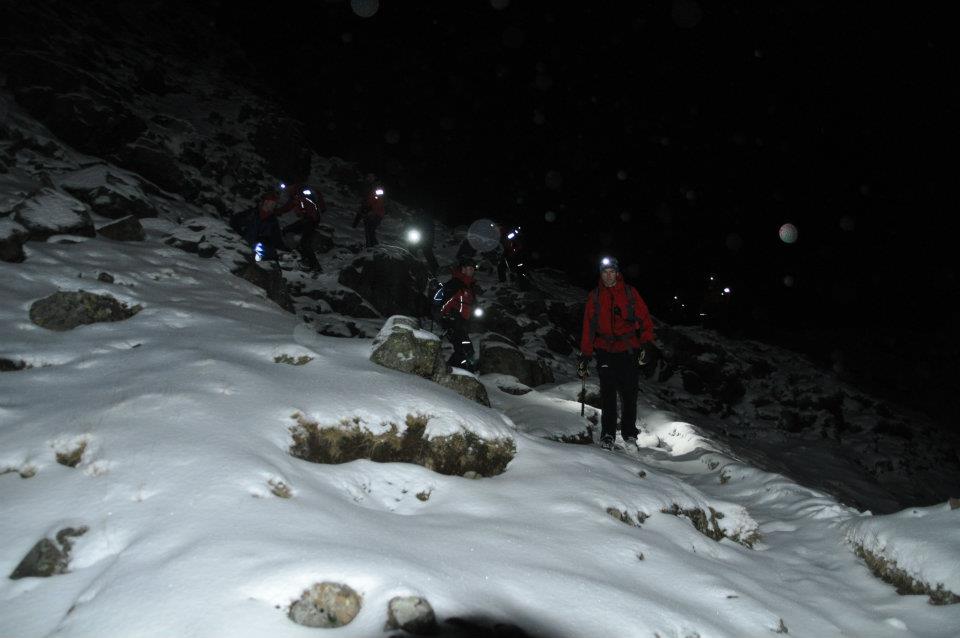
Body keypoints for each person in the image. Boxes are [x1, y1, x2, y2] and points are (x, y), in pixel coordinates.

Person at [577, 256, 655, 451]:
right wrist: (585, 355)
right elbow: (588, 327)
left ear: (617, 273)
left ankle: (629, 434)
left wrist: (646, 344)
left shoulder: (630, 293)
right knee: (608, 395)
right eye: (604, 272)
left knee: (629, 395)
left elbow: (645, 318)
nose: (608, 276)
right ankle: (608, 435)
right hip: (605, 351)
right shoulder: (594, 297)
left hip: (628, 350)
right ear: (601, 274)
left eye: (612, 271)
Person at [439, 255, 482, 372]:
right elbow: (443, 304)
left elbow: (469, 304)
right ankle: (453, 372)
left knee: (466, 350)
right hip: (452, 323)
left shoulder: (468, 286)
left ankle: (455, 370)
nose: (472, 270)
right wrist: (449, 316)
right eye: (469, 268)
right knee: (464, 349)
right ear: (463, 269)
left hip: (461, 324)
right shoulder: (456, 284)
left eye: (473, 269)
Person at [278, 183, 326, 271]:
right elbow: (287, 207)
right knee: (286, 230)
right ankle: (295, 255)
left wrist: (321, 208)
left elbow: (315, 198)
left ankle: (315, 266)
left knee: (305, 242)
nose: (286, 190)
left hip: (312, 220)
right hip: (305, 220)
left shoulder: (302, 192)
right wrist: (276, 211)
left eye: (287, 187)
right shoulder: (295, 196)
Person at [497, 223, 531, 290]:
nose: (498, 230)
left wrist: (514, 251)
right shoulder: (501, 236)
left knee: (520, 270)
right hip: (509, 253)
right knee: (502, 266)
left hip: (517, 255)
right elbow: (506, 245)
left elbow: (517, 244)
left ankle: (524, 287)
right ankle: (503, 282)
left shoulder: (509, 234)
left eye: (499, 228)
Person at [406, 210, 439, 275]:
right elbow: (411, 227)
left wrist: (429, 241)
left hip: (426, 240)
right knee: (412, 249)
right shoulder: (415, 219)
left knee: (428, 253)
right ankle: (413, 266)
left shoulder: (428, 221)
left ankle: (436, 270)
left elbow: (430, 232)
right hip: (417, 238)